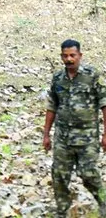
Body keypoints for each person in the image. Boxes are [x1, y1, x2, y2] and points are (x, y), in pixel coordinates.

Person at [43, 39, 106, 217]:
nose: (69, 59)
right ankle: (62, 209)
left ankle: (103, 202)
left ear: (80, 55)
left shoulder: (92, 76)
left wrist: (105, 135)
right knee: (59, 175)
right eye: (65, 56)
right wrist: (46, 134)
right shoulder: (58, 78)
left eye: (72, 55)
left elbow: (104, 104)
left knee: (88, 174)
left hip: (87, 137)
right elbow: (52, 106)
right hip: (63, 137)